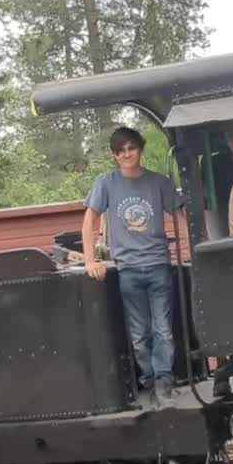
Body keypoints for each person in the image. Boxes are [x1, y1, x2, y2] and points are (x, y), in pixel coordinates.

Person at [81, 127, 181, 403]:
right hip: (128, 268)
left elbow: (182, 212)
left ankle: (164, 381)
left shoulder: (159, 183)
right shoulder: (106, 183)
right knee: (139, 333)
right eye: (121, 150)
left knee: (163, 328)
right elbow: (90, 219)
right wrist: (90, 259)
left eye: (131, 148)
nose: (127, 154)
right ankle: (149, 379)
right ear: (115, 155)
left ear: (140, 149)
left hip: (159, 263)